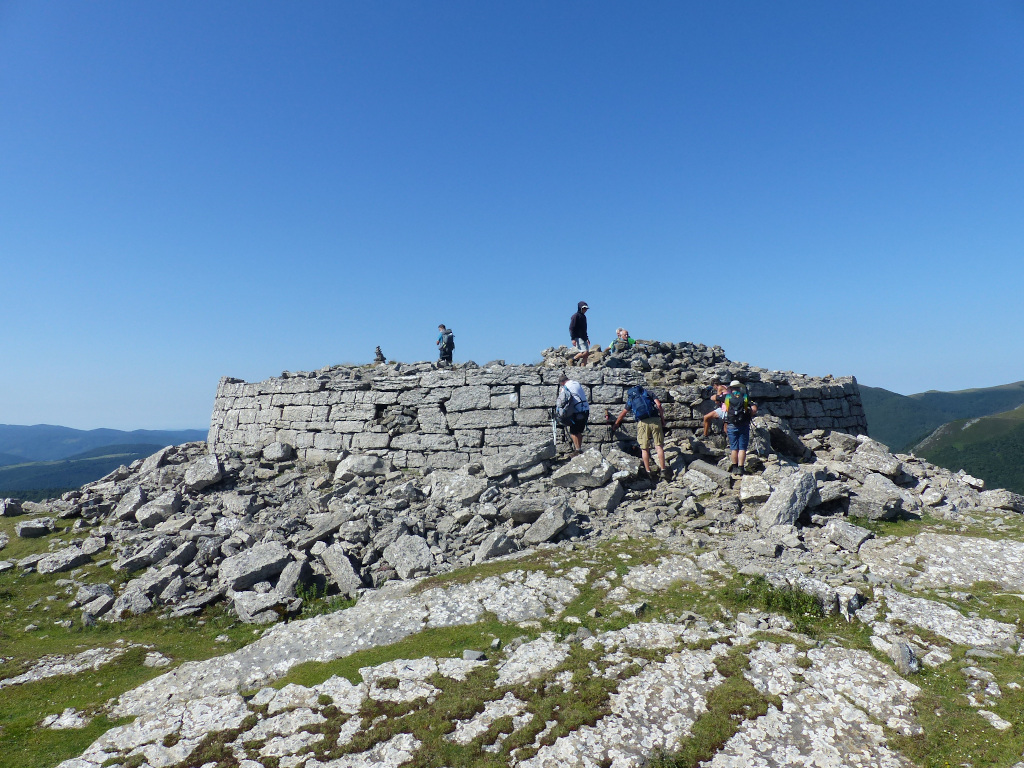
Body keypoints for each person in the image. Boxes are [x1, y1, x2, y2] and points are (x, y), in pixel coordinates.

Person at [611, 384, 668, 479]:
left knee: (644, 448)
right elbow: (659, 405)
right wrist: (662, 419)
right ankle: (663, 470)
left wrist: (616, 424)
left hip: (642, 422)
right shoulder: (648, 393)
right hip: (655, 420)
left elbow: (624, 413)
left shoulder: (631, 398)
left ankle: (648, 472)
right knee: (659, 446)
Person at [723, 379, 757, 474]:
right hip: (743, 424)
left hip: (731, 424)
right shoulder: (745, 396)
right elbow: (754, 409)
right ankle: (741, 468)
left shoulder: (727, 397)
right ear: (739, 387)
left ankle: (734, 468)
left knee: (734, 447)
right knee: (742, 448)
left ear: (731, 388)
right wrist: (749, 415)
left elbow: (726, 409)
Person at [556, 373, 590, 453]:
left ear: (562, 383)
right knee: (579, 431)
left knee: (573, 432)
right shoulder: (577, 383)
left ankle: (577, 450)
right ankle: (579, 449)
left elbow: (562, 401)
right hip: (585, 409)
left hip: (577, 412)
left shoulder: (565, 387)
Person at [568, 301, 590, 366]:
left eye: (586, 308)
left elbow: (584, 329)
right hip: (578, 337)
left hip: (584, 337)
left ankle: (583, 368)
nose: (585, 310)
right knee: (584, 352)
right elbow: (571, 328)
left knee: (586, 354)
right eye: (584, 308)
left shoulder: (584, 317)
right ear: (580, 308)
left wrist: (587, 338)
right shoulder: (575, 316)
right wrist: (573, 339)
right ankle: (572, 359)